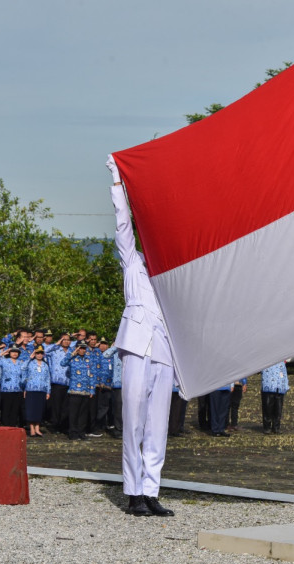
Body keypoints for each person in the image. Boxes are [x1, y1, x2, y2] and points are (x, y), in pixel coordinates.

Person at [107, 155, 175, 517]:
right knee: (133, 421)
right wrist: (119, 184)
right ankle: (133, 492)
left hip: (164, 350)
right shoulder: (133, 265)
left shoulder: (170, 274)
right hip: (135, 345)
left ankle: (151, 490)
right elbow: (123, 228)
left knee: (157, 425)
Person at [45, 333, 71, 434]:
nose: (66, 341)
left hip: (68, 382)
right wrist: (57, 343)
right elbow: (45, 351)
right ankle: (54, 425)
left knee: (66, 406)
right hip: (56, 382)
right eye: (64, 340)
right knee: (56, 405)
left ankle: (63, 425)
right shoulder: (55, 350)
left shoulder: (72, 351)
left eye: (68, 340)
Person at [0, 345, 28, 427]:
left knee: (15, 409)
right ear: (9, 353)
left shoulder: (21, 363)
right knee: (6, 408)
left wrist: (24, 387)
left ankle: (12, 425)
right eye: (13, 351)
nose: (14, 353)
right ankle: (5, 425)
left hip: (18, 389)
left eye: (16, 352)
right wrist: (1, 354)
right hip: (6, 389)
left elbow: (24, 376)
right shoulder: (4, 361)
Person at [24, 346, 51, 437]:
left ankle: (37, 428)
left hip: (42, 389)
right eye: (37, 353)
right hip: (31, 389)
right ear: (34, 354)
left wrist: (48, 391)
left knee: (39, 409)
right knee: (31, 409)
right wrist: (29, 358)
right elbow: (22, 368)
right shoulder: (30, 363)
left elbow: (48, 378)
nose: (39, 355)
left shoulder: (45, 365)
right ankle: (31, 428)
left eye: (41, 353)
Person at [260, 362, 290, 434]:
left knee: (278, 408)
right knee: (267, 408)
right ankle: (267, 427)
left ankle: (276, 427)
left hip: (280, 387)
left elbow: (284, 373)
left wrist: (285, 385)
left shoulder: (281, 362)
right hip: (268, 386)